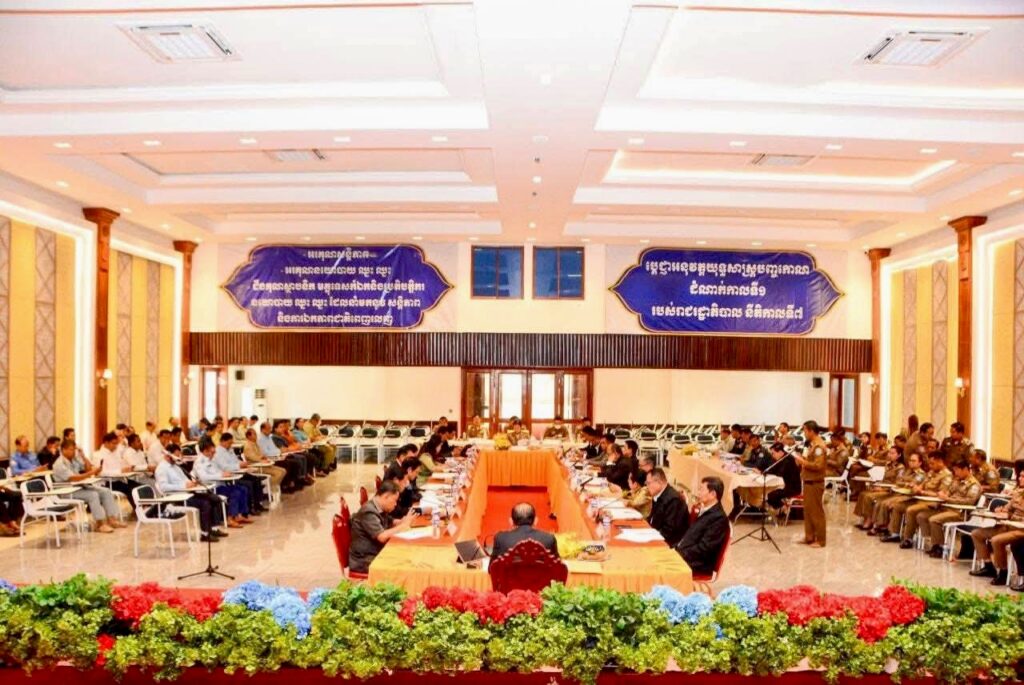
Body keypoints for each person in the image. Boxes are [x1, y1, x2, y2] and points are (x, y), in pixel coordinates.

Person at [154, 445, 227, 542]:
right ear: (168, 455)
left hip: (188, 493)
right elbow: (164, 487)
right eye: (177, 455)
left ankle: (213, 528)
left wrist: (192, 483)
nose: (179, 457)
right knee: (205, 503)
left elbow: (185, 480)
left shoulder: (176, 466)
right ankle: (204, 534)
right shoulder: (161, 468)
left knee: (214, 498)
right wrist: (184, 486)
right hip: (177, 497)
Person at [52, 438, 124, 533]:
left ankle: (112, 520)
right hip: (67, 491)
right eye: (71, 450)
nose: (73, 452)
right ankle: (100, 524)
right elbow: (74, 478)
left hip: (79, 487)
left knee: (105, 491)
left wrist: (83, 456)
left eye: (74, 449)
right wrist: (92, 473)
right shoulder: (59, 464)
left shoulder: (74, 460)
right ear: (63, 450)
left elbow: (88, 468)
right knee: (93, 495)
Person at [881, 451, 952, 546]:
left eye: (932, 463)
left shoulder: (947, 475)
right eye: (930, 463)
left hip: (932, 503)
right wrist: (918, 488)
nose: (930, 466)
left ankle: (908, 538)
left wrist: (922, 492)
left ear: (940, 462)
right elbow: (923, 484)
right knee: (898, 506)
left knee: (911, 510)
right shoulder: (931, 472)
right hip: (919, 499)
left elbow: (940, 494)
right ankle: (895, 534)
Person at [969, 469, 1024, 585]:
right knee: (976, 533)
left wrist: (1010, 516)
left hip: (1020, 529)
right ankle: (988, 566)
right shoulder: (1018, 493)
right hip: (1008, 525)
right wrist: (1001, 510)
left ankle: (1003, 572)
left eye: (1023, 477)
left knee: (996, 540)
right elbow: (1008, 509)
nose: (1019, 478)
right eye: (1020, 476)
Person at [349, 480, 415, 574]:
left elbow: (390, 521)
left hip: (375, 553)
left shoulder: (379, 507)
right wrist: (402, 526)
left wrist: (402, 521)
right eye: (394, 500)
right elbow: (382, 536)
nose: (395, 504)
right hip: (364, 560)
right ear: (386, 496)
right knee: (404, 566)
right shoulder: (368, 511)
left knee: (407, 556)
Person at [919, 459, 982, 558]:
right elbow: (949, 491)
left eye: (957, 470)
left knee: (934, 520)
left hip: (960, 512)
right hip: (946, 508)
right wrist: (943, 494)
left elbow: (969, 502)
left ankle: (938, 547)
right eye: (954, 470)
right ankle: (930, 541)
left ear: (965, 469)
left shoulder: (974, 484)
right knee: (922, 516)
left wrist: (948, 499)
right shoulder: (957, 480)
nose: (955, 473)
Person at [192, 436, 252, 528]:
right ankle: (230, 518)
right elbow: (204, 478)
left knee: (242, 489)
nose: (214, 454)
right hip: (212, 488)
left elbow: (218, 470)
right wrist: (221, 475)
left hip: (220, 484)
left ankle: (239, 515)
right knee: (235, 492)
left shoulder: (210, 460)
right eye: (212, 452)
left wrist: (225, 473)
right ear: (205, 451)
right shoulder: (199, 462)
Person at [675, 476, 729, 576]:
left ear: (713, 494)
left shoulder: (719, 518)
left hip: (697, 564)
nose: (698, 493)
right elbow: (689, 535)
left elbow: (703, 549)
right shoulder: (704, 509)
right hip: (685, 554)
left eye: (701, 489)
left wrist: (678, 555)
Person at [865, 452, 926, 535]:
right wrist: (906, 483)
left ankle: (881, 526)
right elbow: (898, 481)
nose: (911, 462)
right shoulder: (906, 471)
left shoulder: (921, 474)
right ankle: (879, 525)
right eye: (910, 460)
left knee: (886, 503)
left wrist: (905, 483)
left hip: (908, 496)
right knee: (879, 502)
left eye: (914, 461)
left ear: (920, 463)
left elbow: (913, 484)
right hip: (898, 492)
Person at [793, 420, 827, 547]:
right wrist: (802, 460)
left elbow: (818, 465)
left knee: (816, 512)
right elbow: (811, 461)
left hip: (815, 482)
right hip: (808, 481)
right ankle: (809, 536)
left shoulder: (819, 447)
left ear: (811, 431)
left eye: (805, 431)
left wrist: (803, 462)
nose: (804, 434)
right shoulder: (813, 445)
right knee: (808, 511)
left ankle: (821, 540)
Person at [214, 432, 266, 514]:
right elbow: (225, 467)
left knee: (256, 479)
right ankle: (251, 507)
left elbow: (236, 460)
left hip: (238, 471)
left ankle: (258, 504)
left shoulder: (229, 450)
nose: (230, 445)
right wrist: (239, 466)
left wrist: (242, 463)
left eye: (231, 443)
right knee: (249, 484)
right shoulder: (217, 452)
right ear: (222, 441)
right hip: (230, 475)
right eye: (229, 443)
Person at [854, 446, 904, 526]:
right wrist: (877, 485)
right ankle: (865, 518)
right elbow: (883, 478)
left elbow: (897, 484)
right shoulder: (888, 464)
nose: (890, 455)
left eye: (892, 453)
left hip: (890, 490)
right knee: (863, 494)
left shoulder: (900, 468)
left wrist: (883, 489)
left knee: (869, 497)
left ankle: (869, 521)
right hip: (882, 486)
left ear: (899, 455)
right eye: (889, 452)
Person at [490, 502, 559, 559]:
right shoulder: (549, 539)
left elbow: (492, 568)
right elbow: (558, 568)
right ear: (535, 521)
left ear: (511, 521)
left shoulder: (501, 538)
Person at [645, 467, 688, 547]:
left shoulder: (674, 500)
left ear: (659, 482)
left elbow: (669, 531)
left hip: (668, 543)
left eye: (648, 483)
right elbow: (653, 519)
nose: (647, 487)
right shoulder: (659, 495)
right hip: (655, 535)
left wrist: (650, 538)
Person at [96, 431, 146, 496]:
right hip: (109, 482)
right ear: (106, 443)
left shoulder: (116, 453)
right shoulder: (98, 455)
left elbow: (121, 466)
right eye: (113, 443)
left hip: (120, 480)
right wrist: (120, 471)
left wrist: (127, 468)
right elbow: (101, 473)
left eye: (117, 444)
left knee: (142, 487)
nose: (115, 446)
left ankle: (145, 502)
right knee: (133, 491)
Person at [242, 428, 287, 493]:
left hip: (263, 464)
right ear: (249, 436)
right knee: (278, 473)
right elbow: (253, 457)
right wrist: (261, 459)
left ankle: (271, 485)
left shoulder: (255, 443)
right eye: (254, 434)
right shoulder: (247, 445)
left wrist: (265, 457)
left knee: (283, 471)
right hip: (256, 467)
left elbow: (261, 454)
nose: (256, 436)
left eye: (256, 434)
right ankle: (266, 488)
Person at [764, 442, 801, 513]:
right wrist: (763, 472)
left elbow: (780, 473)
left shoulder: (788, 460)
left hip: (792, 488)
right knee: (768, 493)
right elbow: (772, 470)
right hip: (784, 485)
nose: (772, 456)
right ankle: (781, 509)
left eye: (773, 453)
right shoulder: (781, 459)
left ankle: (783, 508)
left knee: (770, 495)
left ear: (780, 452)